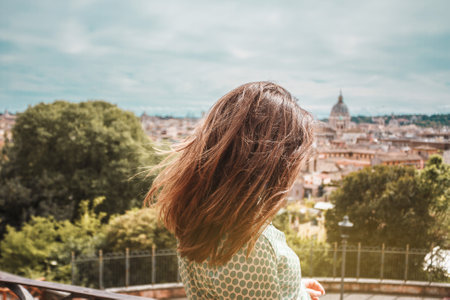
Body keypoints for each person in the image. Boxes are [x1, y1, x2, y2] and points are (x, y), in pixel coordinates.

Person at [145, 81, 325, 299]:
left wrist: (294, 287)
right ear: (274, 163)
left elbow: (232, 290)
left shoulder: (195, 214)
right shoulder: (253, 243)